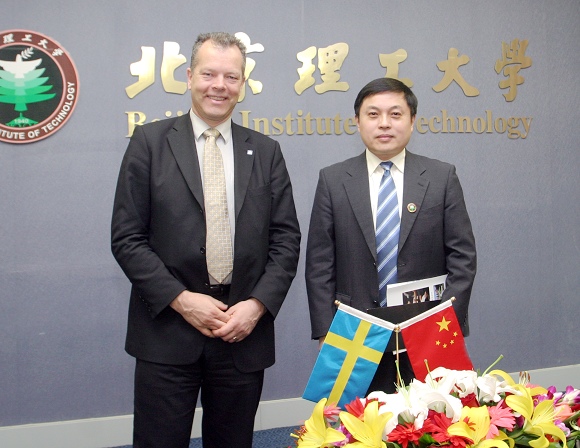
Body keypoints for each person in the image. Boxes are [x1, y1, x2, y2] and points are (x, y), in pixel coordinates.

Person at [111, 32, 300, 448]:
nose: (220, 85)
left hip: (241, 331)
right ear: (189, 76)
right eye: (209, 74)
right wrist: (182, 300)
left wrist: (256, 306)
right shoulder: (150, 143)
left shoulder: (265, 151)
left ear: (242, 84)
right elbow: (127, 238)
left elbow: (285, 239)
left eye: (231, 77)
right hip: (167, 330)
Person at [305, 77, 476, 393]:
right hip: (353, 334)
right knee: (358, 419)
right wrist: (326, 330)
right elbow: (319, 264)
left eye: (395, 114)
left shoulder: (441, 177)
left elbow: (463, 259)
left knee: (431, 419)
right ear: (357, 122)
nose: (384, 123)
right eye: (373, 114)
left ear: (412, 121)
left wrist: (446, 322)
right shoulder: (333, 180)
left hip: (427, 331)